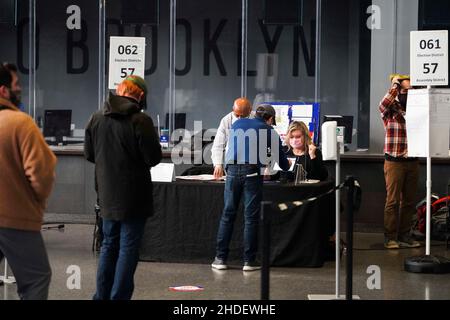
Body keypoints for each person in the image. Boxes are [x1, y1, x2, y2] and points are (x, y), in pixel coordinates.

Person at [84, 75, 162, 300]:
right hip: (134, 195)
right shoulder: (140, 120)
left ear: (119, 90)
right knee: (128, 247)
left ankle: (101, 296)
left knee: (109, 244)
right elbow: (153, 158)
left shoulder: (96, 117)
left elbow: (89, 154)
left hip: (107, 193)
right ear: (140, 95)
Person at [0, 64, 56, 299]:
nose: (20, 89)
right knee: (36, 279)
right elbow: (41, 174)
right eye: (17, 85)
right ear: (4, 91)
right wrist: (35, 204)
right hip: (15, 218)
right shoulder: (20, 123)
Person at [211, 104, 290, 271]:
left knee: (227, 214)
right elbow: (283, 164)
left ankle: (220, 259)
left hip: (231, 170)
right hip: (252, 173)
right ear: (269, 119)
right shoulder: (270, 131)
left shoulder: (237, 124)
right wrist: (287, 162)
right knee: (250, 218)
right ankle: (248, 261)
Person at [379, 74, 420, 249]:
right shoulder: (390, 110)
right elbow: (382, 105)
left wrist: (414, 88)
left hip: (413, 160)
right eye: (405, 89)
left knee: (409, 201)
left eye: (411, 90)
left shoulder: (417, 109)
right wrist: (396, 86)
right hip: (394, 161)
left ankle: (404, 235)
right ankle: (390, 237)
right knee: (393, 201)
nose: (408, 92)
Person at [211, 97, 252, 180]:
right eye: (237, 115)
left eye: (243, 116)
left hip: (251, 165)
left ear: (250, 111)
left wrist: (266, 167)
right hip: (232, 165)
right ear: (233, 109)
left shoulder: (256, 119)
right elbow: (218, 145)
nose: (239, 118)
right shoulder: (226, 121)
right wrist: (218, 164)